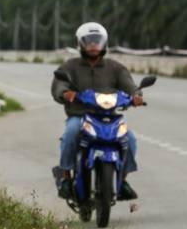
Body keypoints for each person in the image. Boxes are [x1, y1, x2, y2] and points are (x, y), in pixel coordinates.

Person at [51, 21, 142, 201]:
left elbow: (129, 85)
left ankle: (122, 180)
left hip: (110, 116)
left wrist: (136, 95)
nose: (93, 45)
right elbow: (59, 84)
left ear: (104, 42)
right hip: (80, 116)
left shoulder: (115, 68)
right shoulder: (70, 67)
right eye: (89, 40)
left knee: (129, 138)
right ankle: (66, 177)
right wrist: (65, 93)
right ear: (80, 43)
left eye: (97, 40)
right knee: (70, 133)